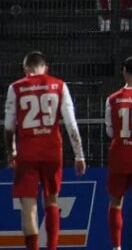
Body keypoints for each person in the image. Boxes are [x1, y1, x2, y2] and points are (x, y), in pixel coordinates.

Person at [3, 51, 87, 250]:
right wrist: (79, 155)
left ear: (26, 69)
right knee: (52, 200)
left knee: (28, 207)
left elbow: (8, 126)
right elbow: (71, 124)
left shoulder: (16, 88)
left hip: (27, 152)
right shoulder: (59, 85)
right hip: (52, 151)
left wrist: (11, 152)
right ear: (45, 68)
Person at [105, 56, 132, 250]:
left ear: (123, 72)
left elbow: (109, 131)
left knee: (115, 202)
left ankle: (116, 247)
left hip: (119, 156)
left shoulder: (113, 99)